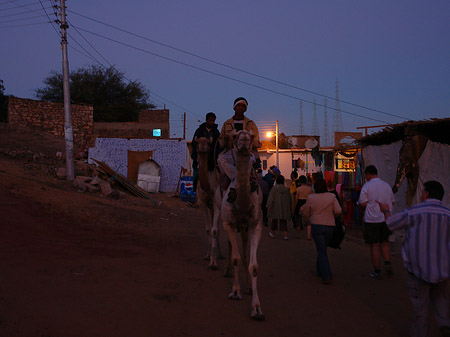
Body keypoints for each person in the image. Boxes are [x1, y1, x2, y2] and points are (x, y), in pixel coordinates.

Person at [378, 181, 450, 337]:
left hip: (418, 269)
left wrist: (385, 211)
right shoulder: (447, 214)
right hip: (442, 269)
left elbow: (391, 223)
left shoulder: (414, 212)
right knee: (441, 300)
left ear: (427, 194)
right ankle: (444, 324)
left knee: (420, 308)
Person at [217, 97, 261, 203]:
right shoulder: (227, 123)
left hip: (247, 152)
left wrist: (247, 140)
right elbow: (221, 141)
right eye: (239, 105)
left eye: (243, 106)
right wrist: (227, 140)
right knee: (221, 159)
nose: (241, 108)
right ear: (234, 107)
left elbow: (257, 141)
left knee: (251, 160)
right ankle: (234, 178)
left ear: (245, 109)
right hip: (231, 152)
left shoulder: (251, 124)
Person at [357, 165, 395, 279]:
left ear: (368, 174)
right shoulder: (386, 185)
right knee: (384, 242)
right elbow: (392, 202)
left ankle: (377, 270)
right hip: (385, 219)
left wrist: (368, 204)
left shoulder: (367, 186)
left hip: (371, 220)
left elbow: (362, 202)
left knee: (374, 245)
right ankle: (387, 262)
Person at [301, 178, 342, 284]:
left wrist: (306, 222)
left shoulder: (311, 198)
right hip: (329, 226)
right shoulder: (331, 197)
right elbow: (338, 210)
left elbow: (305, 213)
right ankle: (319, 270)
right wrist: (333, 215)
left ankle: (327, 274)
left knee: (321, 250)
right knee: (322, 249)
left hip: (316, 225)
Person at [191, 112, 220, 192]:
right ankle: (195, 194)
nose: (211, 122)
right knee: (196, 177)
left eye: (213, 120)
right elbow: (194, 143)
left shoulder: (216, 132)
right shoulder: (199, 131)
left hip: (211, 160)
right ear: (206, 120)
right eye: (210, 120)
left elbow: (218, 145)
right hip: (199, 158)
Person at [267, 175, 291, 240]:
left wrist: (268, 205)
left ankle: (273, 233)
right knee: (283, 221)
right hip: (284, 207)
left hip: (275, 207)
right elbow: (289, 199)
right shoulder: (286, 190)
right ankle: (285, 235)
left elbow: (270, 199)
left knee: (274, 221)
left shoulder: (274, 189)